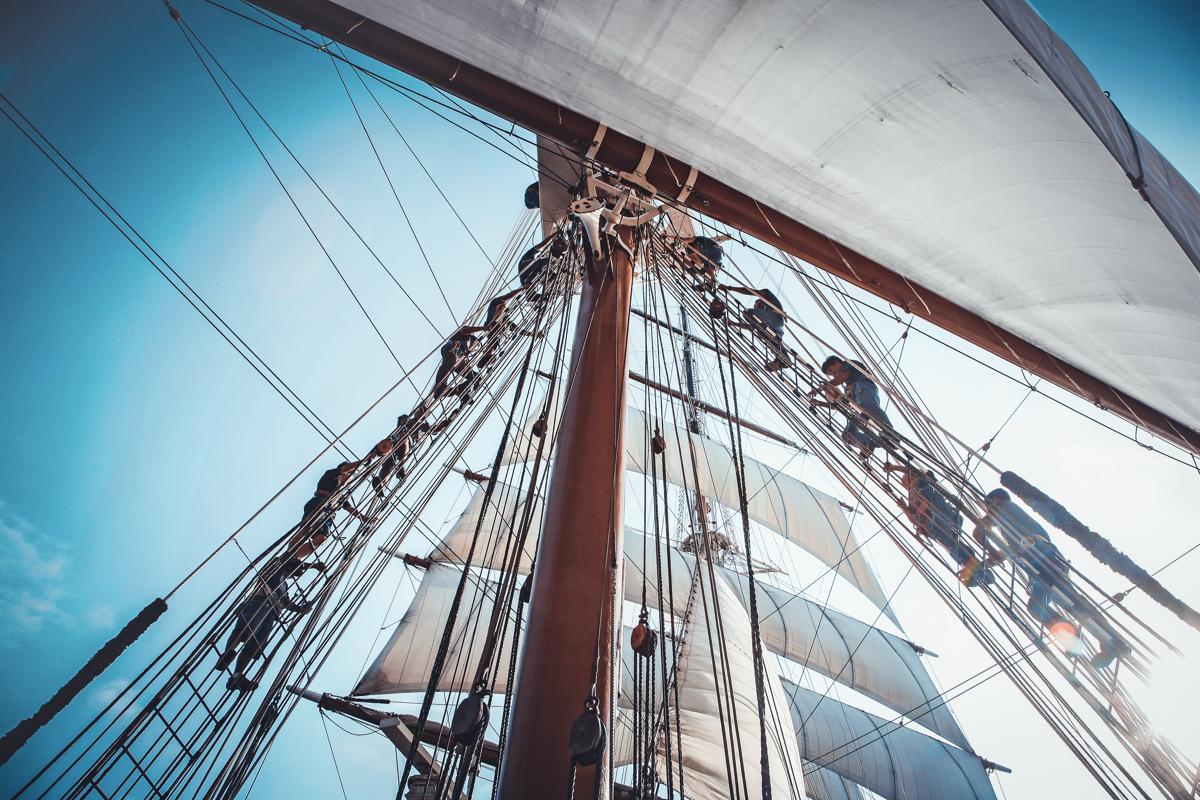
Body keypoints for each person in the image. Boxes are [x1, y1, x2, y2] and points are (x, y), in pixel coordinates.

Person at [975, 488, 1129, 668]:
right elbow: (1005, 553)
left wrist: (987, 549)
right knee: (1040, 607)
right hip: (1039, 561)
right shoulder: (1011, 527)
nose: (987, 509)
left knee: (1072, 602)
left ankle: (1113, 642)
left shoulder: (1005, 506)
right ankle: (1078, 636)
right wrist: (983, 563)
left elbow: (978, 532)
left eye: (987, 505)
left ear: (996, 499)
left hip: (1041, 556)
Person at [215, 553, 324, 692]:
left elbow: (287, 603)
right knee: (242, 630)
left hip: (271, 614)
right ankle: (227, 653)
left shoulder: (285, 585)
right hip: (259, 602)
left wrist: (302, 609)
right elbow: (287, 562)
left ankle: (236, 677)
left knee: (254, 645)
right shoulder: (275, 568)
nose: (298, 572)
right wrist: (313, 565)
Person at [884, 463, 990, 584]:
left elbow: (916, 471)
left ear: (910, 478)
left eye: (904, 480)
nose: (903, 483)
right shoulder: (911, 498)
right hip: (935, 528)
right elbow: (914, 519)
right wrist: (902, 507)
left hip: (944, 519)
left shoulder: (923, 484)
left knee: (954, 544)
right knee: (952, 547)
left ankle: (975, 568)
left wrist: (894, 467)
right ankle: (972, 568)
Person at [814, 355, 895, 460]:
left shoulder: (848, 364)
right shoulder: (848, 387)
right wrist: (820, 403)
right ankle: (868, 443)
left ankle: (889, 433)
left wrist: (820, 388)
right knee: (848, 435)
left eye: (831, 370)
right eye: (831, 374)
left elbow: (841, 378)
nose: (833, 375)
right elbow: (838, 404)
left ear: (836, 363)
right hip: (856, 404)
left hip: (864, 388)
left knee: (868, 408)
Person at [288, 460, 366, 550]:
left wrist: (364, 518)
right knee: (304, 530)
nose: (350, 478)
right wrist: (365, 460)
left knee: (321, 539)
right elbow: (345, 469)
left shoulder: (340, 494)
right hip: (318, 502)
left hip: (329, 512)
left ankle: (297, 557)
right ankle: (288, 554)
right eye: (349, 474)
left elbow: (349, 508)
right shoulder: (332, 474)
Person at [723, 285, 791, 371]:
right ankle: (780, 361)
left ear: (759, 301)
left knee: (747, 312)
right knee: (770, 339)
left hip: (775, 320)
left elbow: (749, 291)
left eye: (756, 305)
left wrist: (730, 288)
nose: (755, 307)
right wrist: (733, 323)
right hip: (774, 330)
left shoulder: (766, 295)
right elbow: (751, 326)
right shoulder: (761, 317)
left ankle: (782, 360)